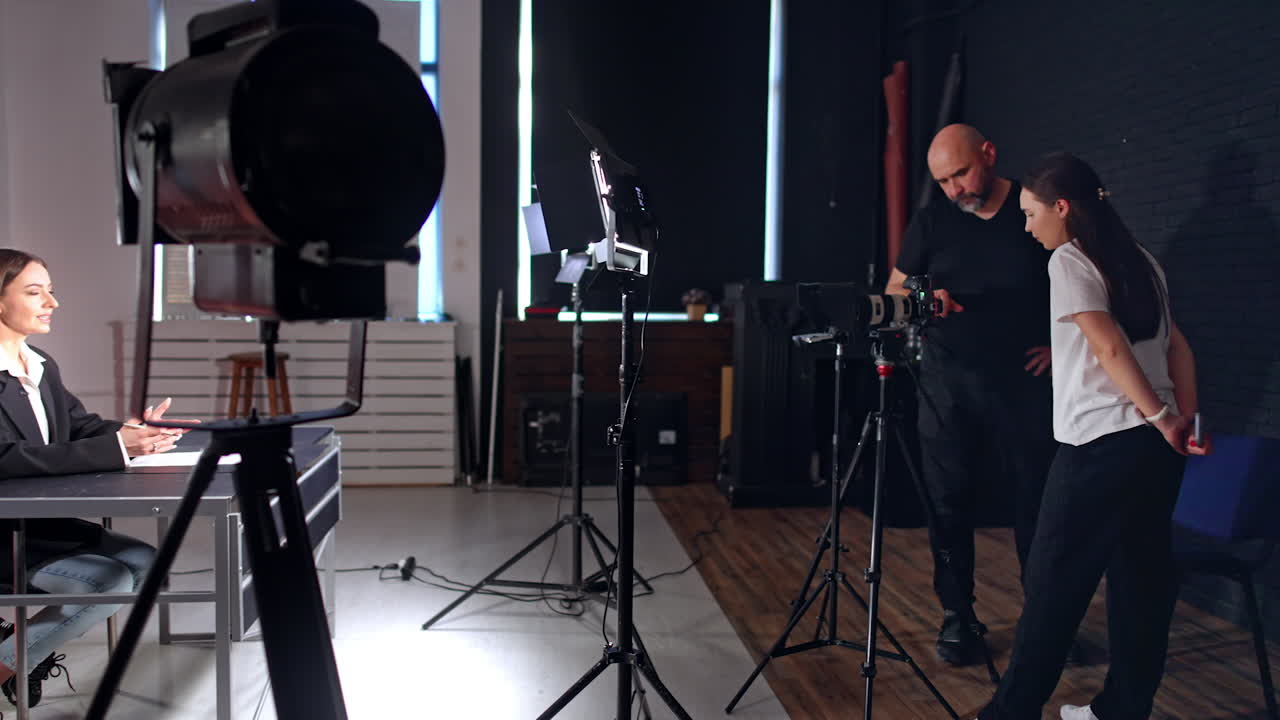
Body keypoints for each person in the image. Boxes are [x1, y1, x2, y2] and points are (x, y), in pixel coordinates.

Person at [977, 153, 1209, 720]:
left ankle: (1008, 714)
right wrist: (1183, 419)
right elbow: (1178, 346)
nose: (1027, 226)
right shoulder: (1143, 260)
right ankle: (1120, 712)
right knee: (1143, 587)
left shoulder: (1069, 260)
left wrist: (1159, 416)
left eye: (1031, 214)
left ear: (1062, 208)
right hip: (1158, 448)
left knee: (1052, 588)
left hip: (1104, 446)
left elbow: (1109, 349)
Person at [887, 124, 1058, 665]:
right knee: (948, 502)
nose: (955, 189)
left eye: (960, 174)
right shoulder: (933, 219)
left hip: (1022, 381)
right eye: (943, 181)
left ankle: (1044, 620)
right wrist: (920, 294)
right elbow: (895, 288)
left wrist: (1063, 343)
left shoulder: (1031, 210)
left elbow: (1078, 279)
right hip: (946, 380)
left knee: (1036, 502)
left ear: (989, 154)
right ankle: (958, 616)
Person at [0, 248, 191, 708]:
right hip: (4, 533)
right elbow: (6, 458)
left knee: (147, 562)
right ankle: (10, 663)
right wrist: (120, 448)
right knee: (106, 584)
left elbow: (79, 427)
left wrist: (133, 433)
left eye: (50, 289)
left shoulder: (40, 363)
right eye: (34, 291)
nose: (52, 301)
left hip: (44, 526)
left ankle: (18, 658)